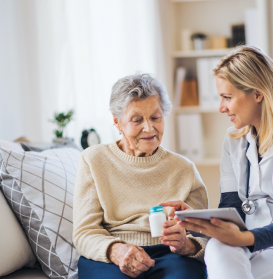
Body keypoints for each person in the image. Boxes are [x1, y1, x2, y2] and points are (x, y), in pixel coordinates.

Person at [162, 46, 273, 279]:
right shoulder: (234, 140)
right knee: (217, 247)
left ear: (257, 93)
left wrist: (243, 239)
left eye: (227, 97)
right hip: (251, 240)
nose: (221, 107)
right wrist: (199, 220)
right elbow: (233, 210)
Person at [72, 73, 208, 279]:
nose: (149, 128)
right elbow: (84, 233)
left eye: (156, 117)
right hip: (112, 253)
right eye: (137, 120)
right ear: (117, 122)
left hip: (170, 254)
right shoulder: (93, 160)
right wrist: (116, 251)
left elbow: (205, 237)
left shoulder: (184, 169)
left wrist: (186, 245)